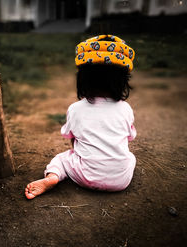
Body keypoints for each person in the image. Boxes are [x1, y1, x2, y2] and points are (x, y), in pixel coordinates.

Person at [25, 35, 137, 199]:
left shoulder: (76, 109)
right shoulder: (125, 109)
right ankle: (115, 171)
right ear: (122, 81)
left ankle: (53, 177)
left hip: (85, 177)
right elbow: (129, 137)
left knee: (63, 158)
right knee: (130, 157)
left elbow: (71, 137)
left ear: (82, 80)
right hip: (121, 181)